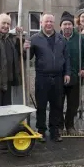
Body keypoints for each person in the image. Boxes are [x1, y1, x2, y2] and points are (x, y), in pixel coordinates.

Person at [24, 13, 71, 143]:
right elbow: (26, 58)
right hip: (42, 77)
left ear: (54, 23)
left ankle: (55, 131)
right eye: (46, 22)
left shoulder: (61, 39)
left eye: (51, 21)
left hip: (58, 77)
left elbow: (67, 58)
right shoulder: (34, 39)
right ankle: (41, 130)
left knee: (57, 105)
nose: (49, 24)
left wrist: (67, 73)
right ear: (41, 23)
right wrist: (24, 49)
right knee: (42, 106)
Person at [59, 11, 84, 135]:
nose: (67, 26)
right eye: (64, 24)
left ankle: (69, 125)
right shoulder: (56, 39)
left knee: (72, 104)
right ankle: (58, 126)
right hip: (59, 77)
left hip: (75, 77)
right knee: (58, 102)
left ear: (72, 25)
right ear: (60, 26)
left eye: (69, 24)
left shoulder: (80, 39)